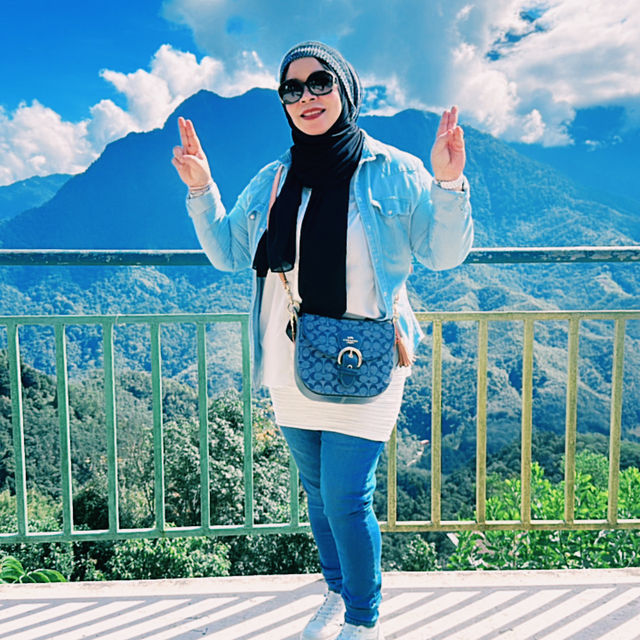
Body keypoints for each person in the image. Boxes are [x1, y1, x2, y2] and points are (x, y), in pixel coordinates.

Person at [172, 41, 472, 640]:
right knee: (316, 491)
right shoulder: (275, 179)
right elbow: (230, 253)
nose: (306, 97)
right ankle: (336, 592)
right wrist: (203, 191)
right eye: (292, 88)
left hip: (371, 356)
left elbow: (444, 254)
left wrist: (447, 183)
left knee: (346, 496)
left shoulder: (395, 170)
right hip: (291, 357)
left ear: (346, 90)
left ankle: (363, 618)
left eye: (319, 83)